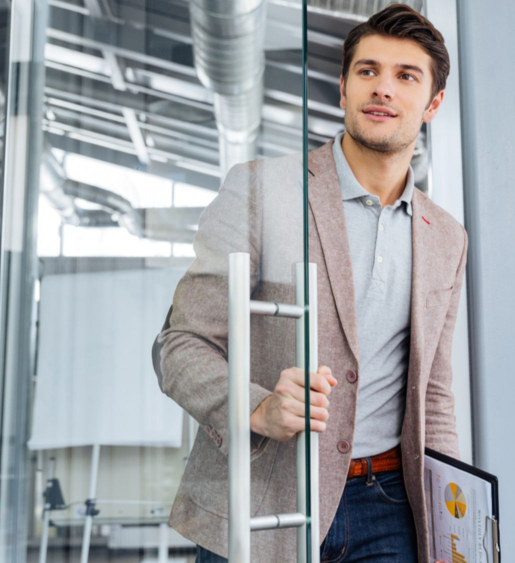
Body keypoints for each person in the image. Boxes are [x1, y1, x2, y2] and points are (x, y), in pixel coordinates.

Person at [156, 5, 466, 562]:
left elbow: (434, 392)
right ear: (343, 88)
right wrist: (256, 409)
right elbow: (179, 345)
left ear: (433, 104)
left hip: (389, 506)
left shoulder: (446, 236)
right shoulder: (261, 190)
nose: (383, 89)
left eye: (406, 76)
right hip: (265, 498)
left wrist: (449, 531)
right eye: (368, 71)